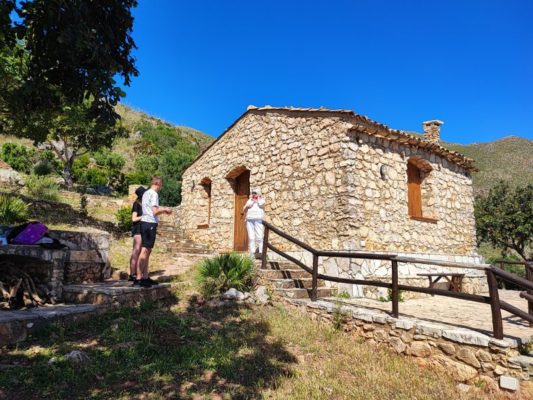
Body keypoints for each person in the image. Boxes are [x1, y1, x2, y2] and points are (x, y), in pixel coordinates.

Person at [137, 176, 173, 288]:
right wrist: (165, 210)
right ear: (158, 184)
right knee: (144, 251)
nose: (161, 188)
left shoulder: (146, 193)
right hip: (149, 223)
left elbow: (150, 209)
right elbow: (154, 211)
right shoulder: (154, 194)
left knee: (147, 251)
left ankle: (145, 277)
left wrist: (160, 210)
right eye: (161, 185)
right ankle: (139, 278)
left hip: (144, 223)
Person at [129, 186, 146, 285]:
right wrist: (144, 216)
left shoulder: (145, 205)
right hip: (138, 229)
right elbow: (134, 219)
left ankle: (139, 272)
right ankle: (132, 274)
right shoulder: (136, 204)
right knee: (136, 251)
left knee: (141, 251)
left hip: (144, 229)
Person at [243, 187, 265, 259]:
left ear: (258, 193)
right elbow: (244, 208)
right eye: (253, 193)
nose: (253, 194)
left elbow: (261, 204)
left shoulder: (261, 200)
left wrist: (258, 199)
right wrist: (248, 205)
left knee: (259, 236)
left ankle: (261, 252)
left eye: (255, 193)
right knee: (251, 237)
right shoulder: (250, 200)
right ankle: (252, 253)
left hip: (258, 219)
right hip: (249, 219)